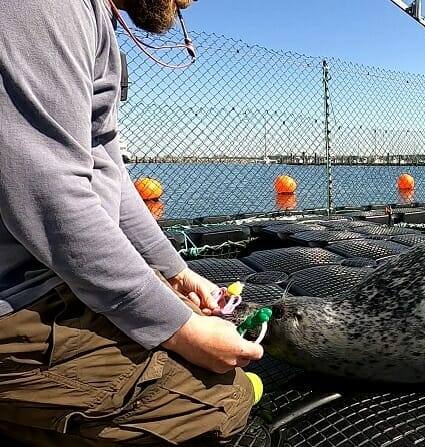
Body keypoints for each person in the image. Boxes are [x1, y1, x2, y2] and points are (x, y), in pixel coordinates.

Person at [0, 0, 264, 445]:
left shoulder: (90, 16)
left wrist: (176, 273)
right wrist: (181, 330)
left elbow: (107, 170)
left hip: (48, 278)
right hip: (16, 305)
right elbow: (49, 193)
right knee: (222, 401)